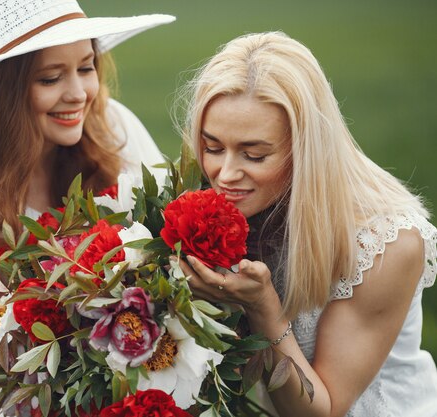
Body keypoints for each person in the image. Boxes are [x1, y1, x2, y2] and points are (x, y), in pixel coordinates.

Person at [0, 0, 174, 399]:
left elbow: (172, 259)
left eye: (86, 67)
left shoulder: (117, 131)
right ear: (3, 94)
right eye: (50, 78)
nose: (79, 93)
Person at [176, 31, 437, 417]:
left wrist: (261, 308)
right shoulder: (219, 197)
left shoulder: (386, 241)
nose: (225, 174)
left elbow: (322, 412)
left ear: (306, 148)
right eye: (213, 147)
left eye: (254, 154)